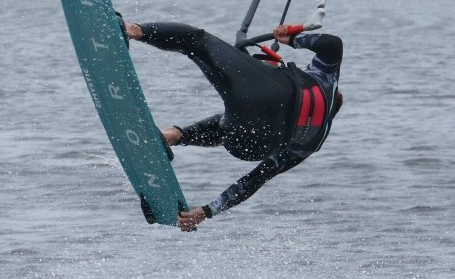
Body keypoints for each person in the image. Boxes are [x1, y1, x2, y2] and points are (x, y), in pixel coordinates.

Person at [123, 20, 343, 231]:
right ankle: (173, 136)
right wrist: (207, 211)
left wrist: (292, 39)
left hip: (269, 93)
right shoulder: (311, 144)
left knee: (195, 40)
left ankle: (131, 30)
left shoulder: (326, 81)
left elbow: (333, 45)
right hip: (248, 144)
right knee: (227, 127)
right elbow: (256, 179)